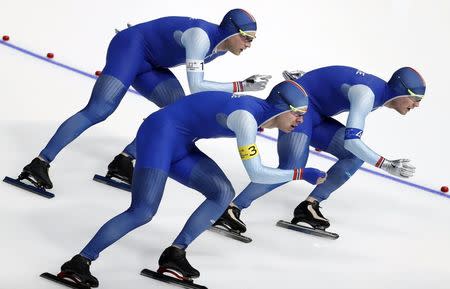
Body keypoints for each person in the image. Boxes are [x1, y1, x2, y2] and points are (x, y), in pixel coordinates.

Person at [52, 81, 326, 287]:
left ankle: (174, 254)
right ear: (281, 108)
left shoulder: (260, 113)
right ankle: (79, 262)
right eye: (297, 114)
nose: (301, 121)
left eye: (303, 115)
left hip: (180, 141)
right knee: (143, 211)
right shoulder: (246, 119)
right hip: (158, 135)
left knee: (222, 192)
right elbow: (256, 174)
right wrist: (300, 174)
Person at [19, 8, 271, 190]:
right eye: (247, 37)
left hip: (151, 63)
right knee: (100, 109)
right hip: (131, 48)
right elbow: (197, 86)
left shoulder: (222, 49)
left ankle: (124, 161)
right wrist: (243, 86)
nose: (249, 44)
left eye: (252, 40)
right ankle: (39, 163)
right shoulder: (201, 37)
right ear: (231, 31)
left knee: (174, 113)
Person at [215, 65, 425, 233]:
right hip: (299, 114)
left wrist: (309, 81)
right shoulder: (367, 95)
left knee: (353, 156)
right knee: (293, 166)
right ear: (400, 92)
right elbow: (352, 139)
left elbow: (332, 82)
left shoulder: (380, 93)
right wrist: (386, 165)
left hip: (316, 115)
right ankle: (231, 209)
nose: (416, 106)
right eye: (415, 99)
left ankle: (309, 207)